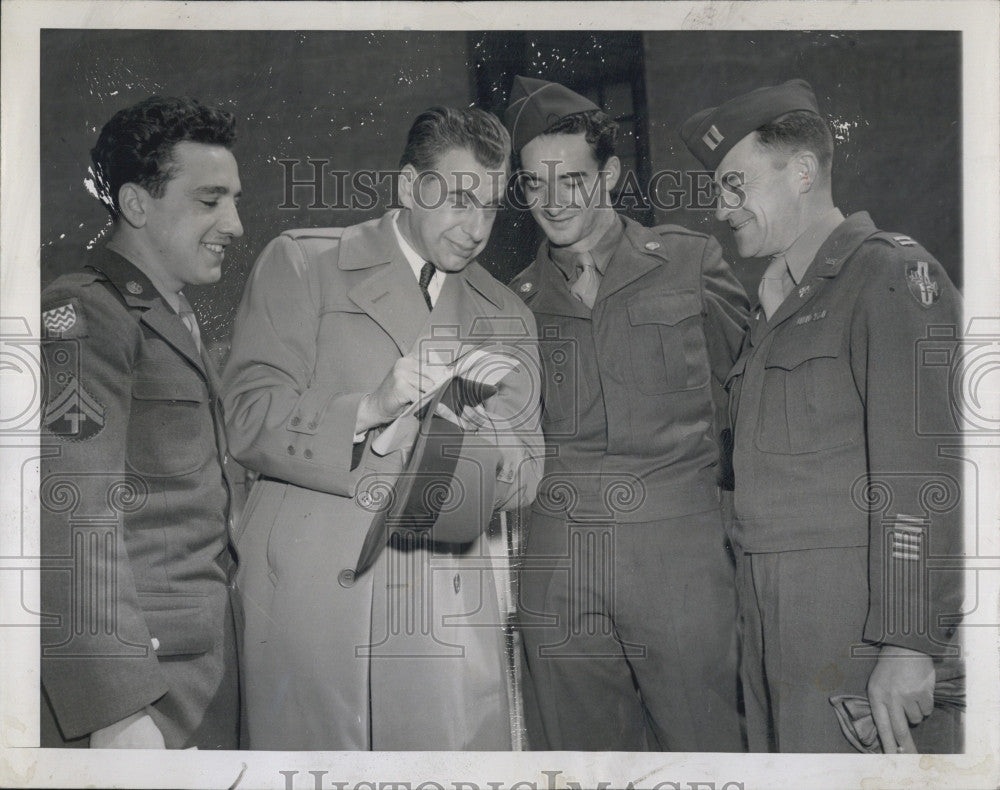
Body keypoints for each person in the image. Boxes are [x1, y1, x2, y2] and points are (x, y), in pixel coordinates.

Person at [222, 106, 544, 750]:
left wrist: (475, 442)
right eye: (457, 199)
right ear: (406, 187)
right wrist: (370, 408)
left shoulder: (505, 312)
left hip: (439, 601)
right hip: (311, 597)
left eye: (491, 206)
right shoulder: (304, 263)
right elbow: (246, 419)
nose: (477, 227)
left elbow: (527, 473)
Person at [680, 78, 964, 753]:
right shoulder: (776, 301)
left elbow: (920, 472)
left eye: (734, 184)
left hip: (852, 615)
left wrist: (908, 642)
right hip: (770, 608)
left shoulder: (886, 276)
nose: (722, 209)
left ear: (802, 171)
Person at [504, 76, 749, 751]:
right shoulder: (510, 303)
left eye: (571, 180)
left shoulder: (691, 263)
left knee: (709, 752)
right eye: (532, 184)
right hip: (560, 564)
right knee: (581, 760)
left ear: (609, 173)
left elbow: (750, 401)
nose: (550, 202)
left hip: (682, 558)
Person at [39, 96, 245, 749]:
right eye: (210, 201)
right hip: (149, 693)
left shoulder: (172, 315)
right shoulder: (82, 316)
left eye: (234, 200)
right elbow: (69, 515)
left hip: (204, 673)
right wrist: (117, 710)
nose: (235, 223)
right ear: (135, 205)